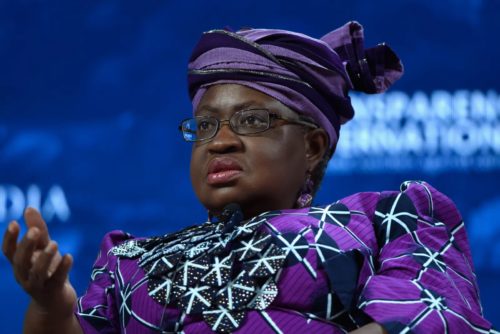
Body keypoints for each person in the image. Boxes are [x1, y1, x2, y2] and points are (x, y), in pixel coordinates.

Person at [2, 21, 497, 334]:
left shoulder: (386, 222)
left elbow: (432, 316)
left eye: (252, 121)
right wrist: (50, 307)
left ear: (312, 146)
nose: (220, 141)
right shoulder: (129, 264)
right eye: (206, 126)